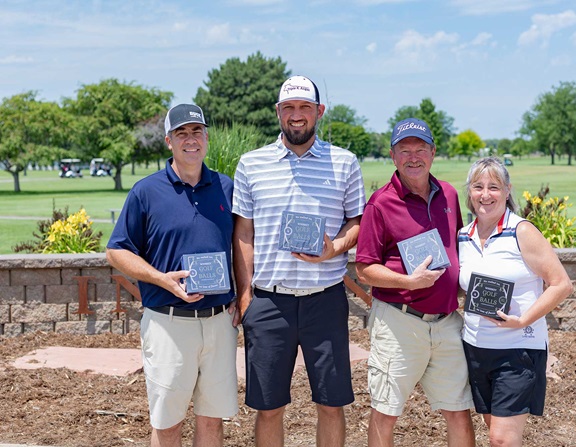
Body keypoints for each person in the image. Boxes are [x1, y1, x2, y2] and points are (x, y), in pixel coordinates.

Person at [232, 75, 366, 447]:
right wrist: (246, 295)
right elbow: (244, 233)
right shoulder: (251, 164)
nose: (296, 115)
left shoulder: (344, 162)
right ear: (278, 112)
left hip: (325, 299)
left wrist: (334, 248)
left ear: (319, 112)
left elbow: (357, 221)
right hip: (269, 302)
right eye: (288, 107)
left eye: (304, 107)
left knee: (331, 403)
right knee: (269, 406)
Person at [106, 103, 238, 447]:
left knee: (212, 420)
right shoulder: (146, 192)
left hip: (218, 322)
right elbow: (116, 250)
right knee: (167, 424)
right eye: (181, 133)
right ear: (168, 141)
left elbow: (241, 245)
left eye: (197, 131)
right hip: (168, 323)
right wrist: (162, 279)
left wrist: (244, 295)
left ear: (206, 137)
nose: (190, 139)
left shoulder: (226, 187)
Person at [355, 118, 475, 447]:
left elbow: (459, 247)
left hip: (448, 322)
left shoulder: (448, 194)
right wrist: (409, 280)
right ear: (393, 156)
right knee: (386, 411)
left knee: (459, 410)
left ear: (433, 153)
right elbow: (365, 268)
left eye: (420, 149)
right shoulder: (380, 203)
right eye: (404, 150)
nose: (413, 157)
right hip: (399, 321)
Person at [458, 156, 573, 447]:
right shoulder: (463, 236)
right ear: (469, 192)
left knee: (501, 439)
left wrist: (522, 320)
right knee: (492, 430)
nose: (485, 195)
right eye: (478, 186)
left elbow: (561, 284)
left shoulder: (521, 231)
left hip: (518, 350)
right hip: (475, 349)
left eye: (494, 187)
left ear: (508, 191)